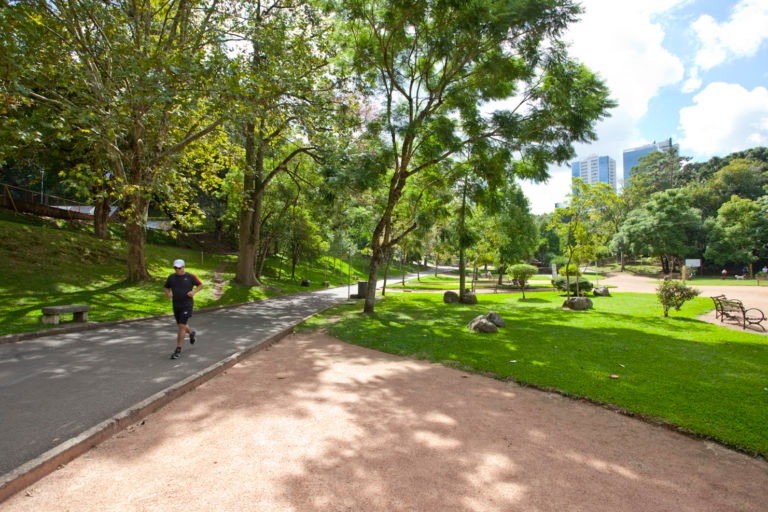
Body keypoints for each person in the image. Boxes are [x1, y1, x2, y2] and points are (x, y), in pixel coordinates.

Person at [163, 259, 203, 360]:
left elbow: (200, 285)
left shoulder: (190, 276)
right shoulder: (171, 277)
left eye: (179, 268)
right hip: (176, 305)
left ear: (184, 267)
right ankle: (191, 333)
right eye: (175, 268)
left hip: (187, 304)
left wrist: (194, 292)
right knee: (183, 325)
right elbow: (166, 287)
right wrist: (168, 294)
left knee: (181, 326)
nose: (177, 270)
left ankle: (178, 349)